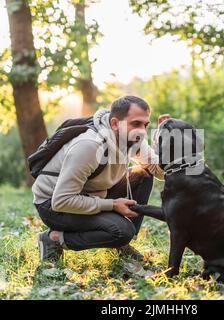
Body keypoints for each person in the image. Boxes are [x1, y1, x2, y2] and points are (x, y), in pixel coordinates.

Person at [32, 95, 170, 262]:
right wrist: (112, 205)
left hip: (91, 193)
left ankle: (121, 244)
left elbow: (160, 172)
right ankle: (54, 239)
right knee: (122, 231)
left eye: (145, 125)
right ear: (114, 123)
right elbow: (61, 201)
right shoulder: (89, 145)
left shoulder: (133, 138)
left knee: (143, 175)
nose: (141, 130)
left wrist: (163, 143)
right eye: (136, 124)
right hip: (53, 206)